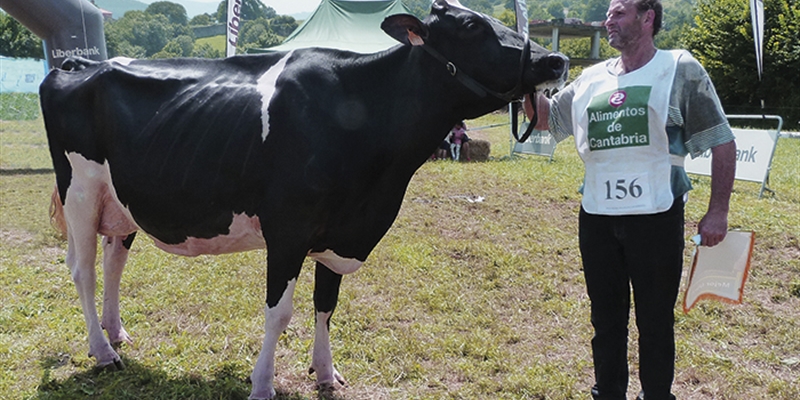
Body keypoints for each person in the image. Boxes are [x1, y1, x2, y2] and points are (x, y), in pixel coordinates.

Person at [524, 0, 737, 399]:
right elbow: (547, 118)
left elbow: (722, 140)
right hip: (598, 217)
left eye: (619, 13)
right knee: (606, 321)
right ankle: (608, 393)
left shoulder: (680, 69)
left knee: (654, 322)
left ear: (648, 18)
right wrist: (525, 80)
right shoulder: (591, 78)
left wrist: (718, 212)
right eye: (608, 14)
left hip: (656, 216)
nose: (609, 20)